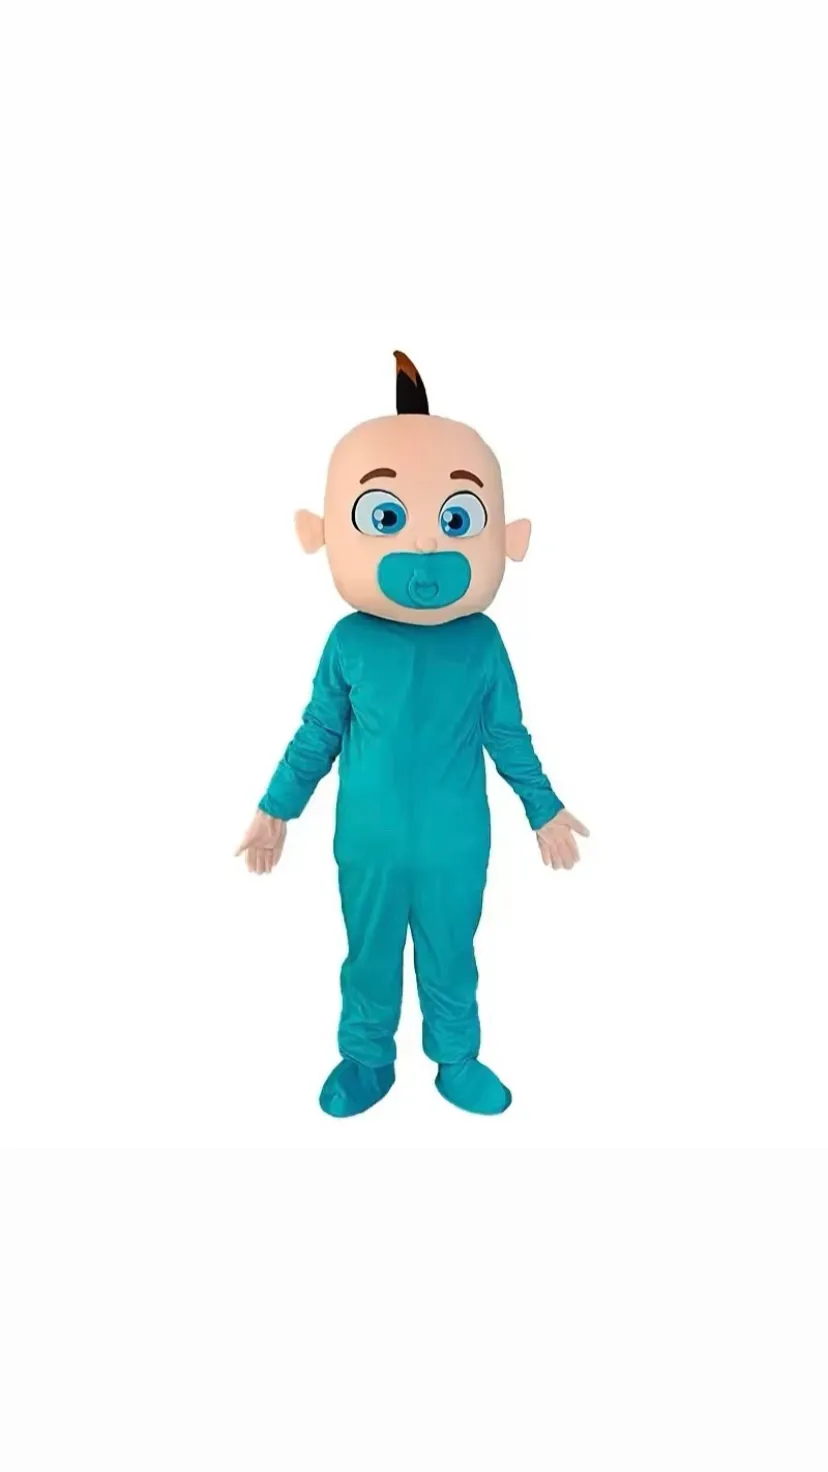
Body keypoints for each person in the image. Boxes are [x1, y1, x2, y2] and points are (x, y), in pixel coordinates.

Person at [236, 352, 589, 1116]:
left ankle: (456, 1058)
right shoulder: (350, 641)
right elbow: (317, 735)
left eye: (455, 521)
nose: (427, 545)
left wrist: (544, 807)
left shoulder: (481, 642)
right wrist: (276, 808)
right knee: (368, 954)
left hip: (455, 840)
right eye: (388, 518)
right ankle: (367, 1059)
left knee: (451, 951)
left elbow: (507, 735)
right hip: (368, 840)